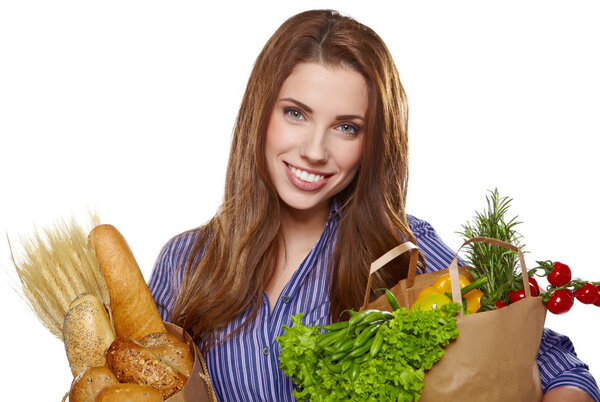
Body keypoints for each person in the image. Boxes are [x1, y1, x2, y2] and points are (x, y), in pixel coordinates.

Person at [148, 9, 599, 402]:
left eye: (346, 127)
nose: (314, 151)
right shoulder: (185, 264)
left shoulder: (405, 248)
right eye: (296, 113)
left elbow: (555, 363)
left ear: (372, 143)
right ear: (259, 113)